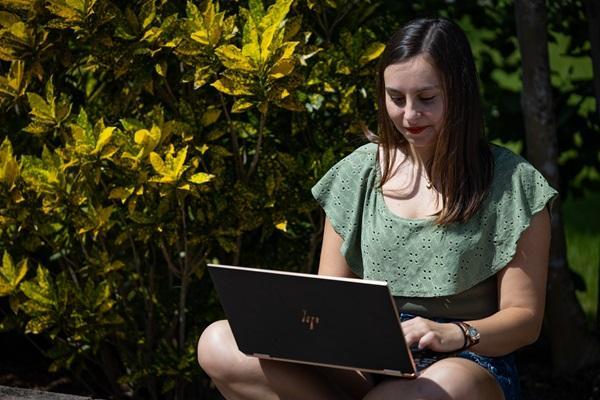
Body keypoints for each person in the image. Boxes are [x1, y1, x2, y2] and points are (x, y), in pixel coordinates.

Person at [197, 17, 557, 400]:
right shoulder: (359, 173)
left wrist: (457, 333)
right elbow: (330, 300)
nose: (409, 116)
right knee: (218, 342)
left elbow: (524, 320)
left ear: (461, 93)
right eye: (395, 98)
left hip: (465, 359)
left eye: (427, 98)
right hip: (365, 359)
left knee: (420, 393)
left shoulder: (512, 183)